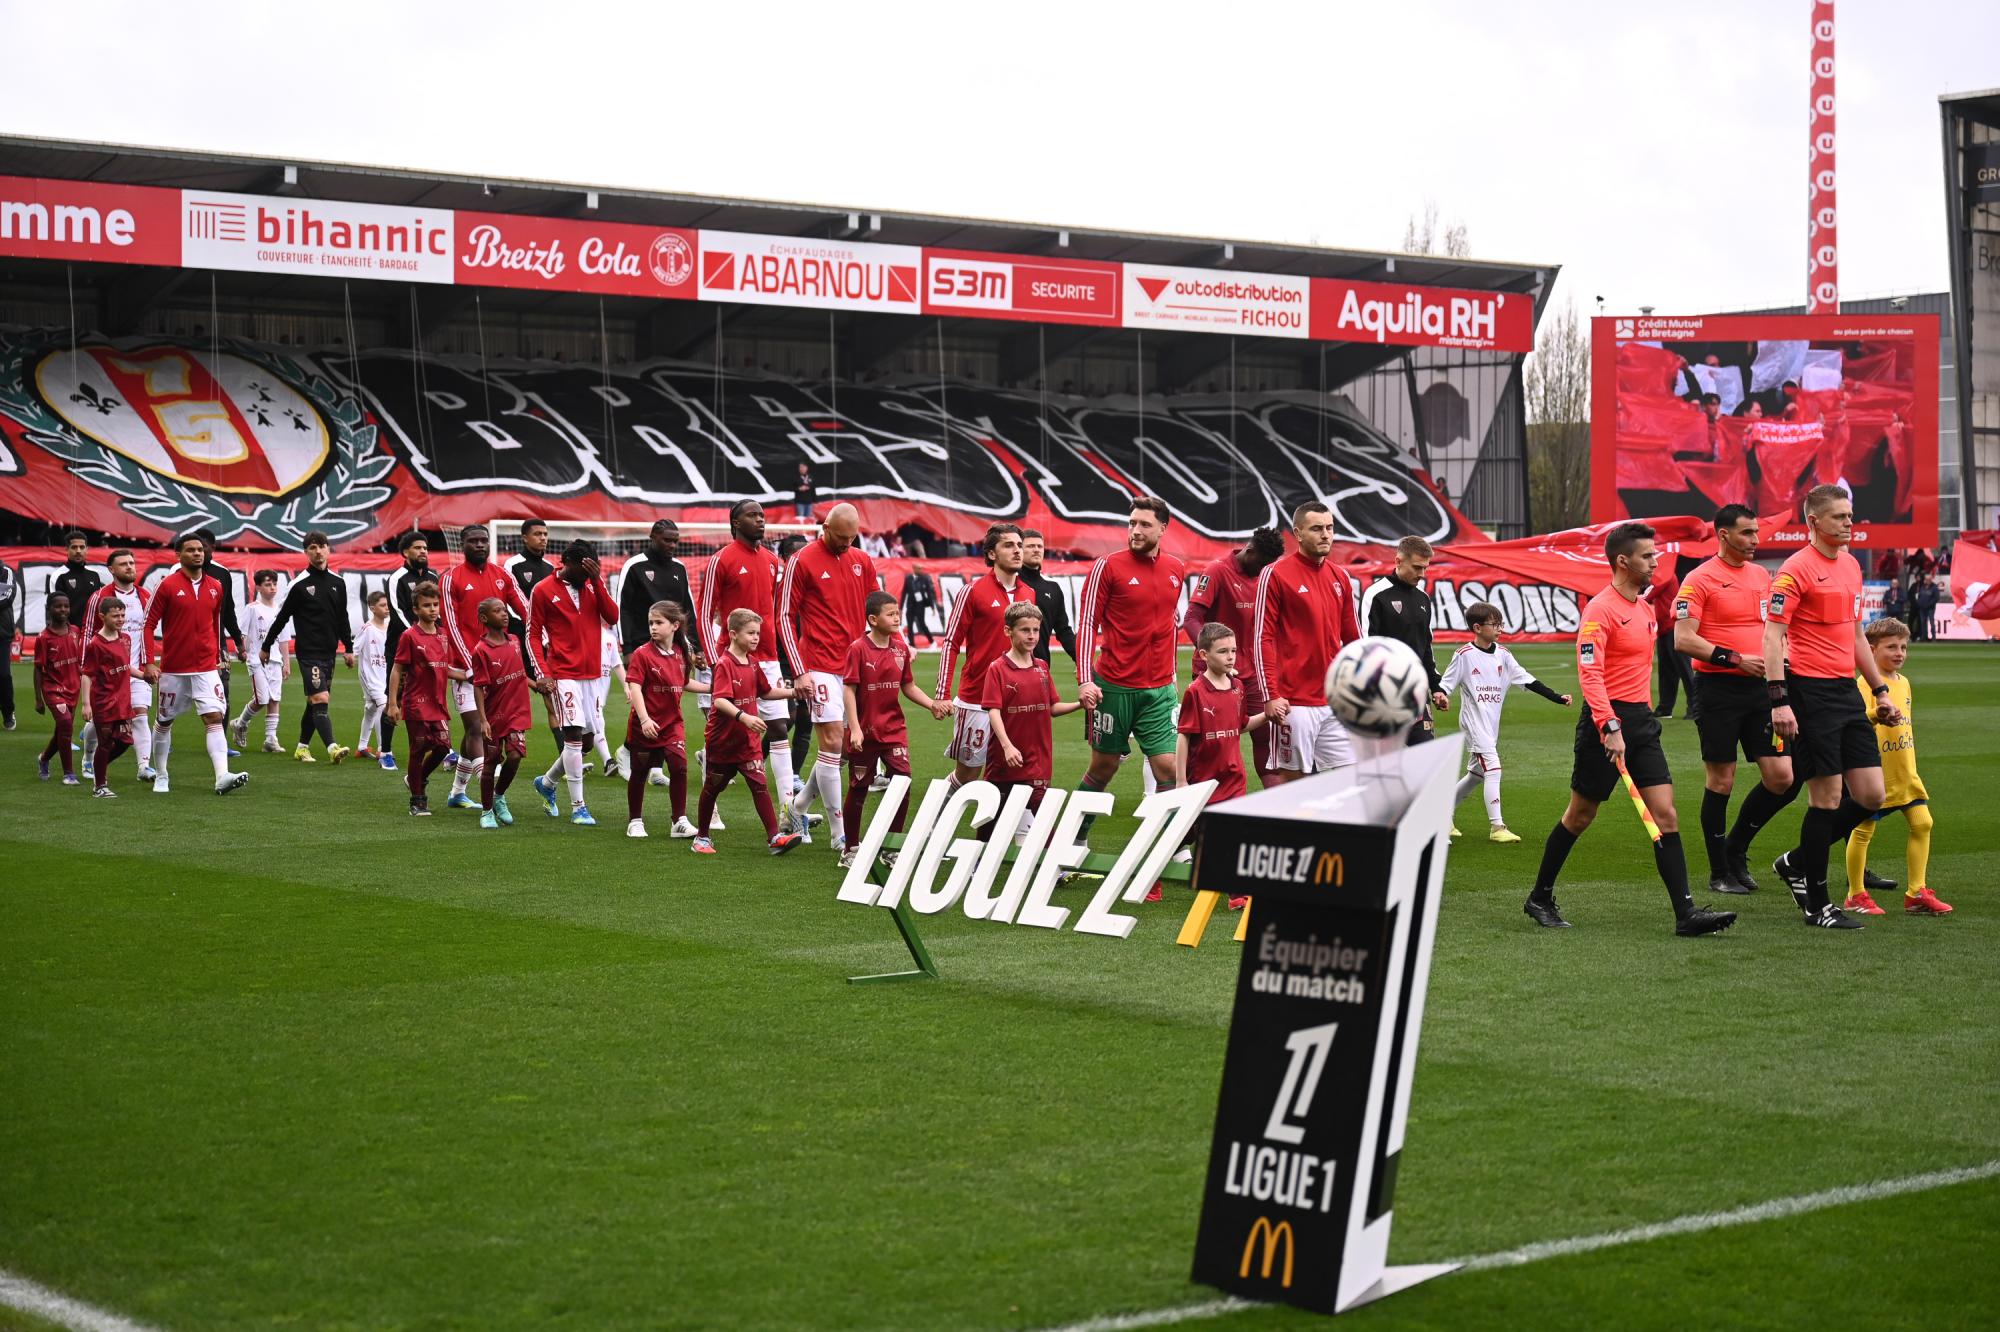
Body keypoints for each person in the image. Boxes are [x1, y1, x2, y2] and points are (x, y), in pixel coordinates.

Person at [1521, 522, 1735, 937]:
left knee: (1666, 814)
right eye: (1647, 556)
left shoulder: (1644, 607)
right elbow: (1590, 674)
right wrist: (1610, 726)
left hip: (1641, 723)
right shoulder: (1600, 609)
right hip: (1606, 724)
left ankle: (1686, 914)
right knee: (1580, 815)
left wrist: (1635, 722)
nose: (1656, 562)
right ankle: (1540, 896)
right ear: (1623, 561)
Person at [1768, 486, 1907, 929]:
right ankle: (1818, 906)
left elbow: (1855, 634)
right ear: (1814, 522)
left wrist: (1879, 690)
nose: (1849, 523)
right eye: (1840, 517)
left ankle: (1795, 862)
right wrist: (1779, 700)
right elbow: (1772, 636)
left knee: (1871, 796)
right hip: (1808, 693)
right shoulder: (1794, 570)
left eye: (1851, 515)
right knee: (1826, 798)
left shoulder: (1849, 565)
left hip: (1846, 692)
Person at [1671, 505, 1796, 895]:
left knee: (1782, 777)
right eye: (1746, 533)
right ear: (1723, 535)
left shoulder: (1761, 576)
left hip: (1762, 691)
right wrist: (1736, 659)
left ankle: (1736, 846)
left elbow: (1774, 630)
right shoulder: (1699, 579)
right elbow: (1683, 639)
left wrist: (1782, 664)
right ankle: (1719, 871)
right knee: (1721, 780)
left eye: (1756, 532)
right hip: (1718, 691)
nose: (1755, 540)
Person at [1074, 497, 1188, 816]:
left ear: (1162, 529)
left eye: (1145, 525)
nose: (1136, 530)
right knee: (1104, 766)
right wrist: (1085, 680)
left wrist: (1172, 674)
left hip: (1159, 691)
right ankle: (1075, 838)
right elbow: (1087, 623)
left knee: (1169, 768)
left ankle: (1169, 842)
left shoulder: (1176, 568)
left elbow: (1169, 625)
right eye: (1132, 523)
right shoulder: (1107, 566)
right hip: (1114, 687)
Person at [776, 503, 880, 853]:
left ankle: (798, 807)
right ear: (825, 528)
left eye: (853, 537)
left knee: (847, 748)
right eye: (841, 537)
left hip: (856, 666)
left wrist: (894, 644)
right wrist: (799, 670)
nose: (847, 543)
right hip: (819, 664)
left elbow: (876, 609)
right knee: (833, 743)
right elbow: (784, 615)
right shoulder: (801, 560)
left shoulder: (862, 560)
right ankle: (840, 835)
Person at [1436, 601, 1572, 843]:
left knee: (1476, 775)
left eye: (1501, 624)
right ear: (1477, 628)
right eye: (1495, 624)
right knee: (1493, 768)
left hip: (1490, 725)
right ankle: (1497, 827)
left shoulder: (1504, 655)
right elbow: (1446, 684)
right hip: (1474, 723)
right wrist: (1442, 696)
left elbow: (1528, 680)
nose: (1500, 628)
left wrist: (1557, 697)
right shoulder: (1464, 655)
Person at [1842, 618, 1951, 916]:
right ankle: (1855, 894)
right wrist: (1876, 714)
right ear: (1871, 650)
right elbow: (1854, 723)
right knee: (1863, 830)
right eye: (1891, 647)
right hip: (1874, 770)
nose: (1899, 653)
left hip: (1904, 768)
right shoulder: (1863, 684)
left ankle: (1916, 892)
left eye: (1903, 647)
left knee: (1923, 823)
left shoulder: (1903, 683)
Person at [1253, 501, 1361, 783]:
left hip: (1335, 699)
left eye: (1330, 528)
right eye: (1317, 529)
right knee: (1295, 782)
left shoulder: (1340, 576)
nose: (1326, 534)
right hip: (1293, 703)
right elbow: (1262, 637)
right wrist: (1271, 694)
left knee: (1353, 779)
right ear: (1298, 533)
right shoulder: (1275, 574)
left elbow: (1354, 639)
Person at [840, 590, 949, 867]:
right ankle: (850, 848)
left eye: (898, 613)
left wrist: (932, 704)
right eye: (890, 614)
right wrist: (854, 728)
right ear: (873, 619)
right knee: (859, 789)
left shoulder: (900, 649)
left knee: (903, 782)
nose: (897, 618)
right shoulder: (858, 649)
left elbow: (907, 685)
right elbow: (849, 690)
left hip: (893, 730)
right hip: (865, 732)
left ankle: (891, 847)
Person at [698, 501, 794, 801]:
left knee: (779, 728)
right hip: (732, 660)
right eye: (753, 516)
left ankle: (788, 808)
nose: (760, 520)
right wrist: (716, 662)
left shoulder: (773, 561)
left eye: (762, 516)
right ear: (736, 523)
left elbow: (776, 612)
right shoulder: (721, 560)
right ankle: (710, 805)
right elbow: (704, 614)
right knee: (725, 735)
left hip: (768, 658)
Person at [141, 531, 249, 796]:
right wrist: (148, 662)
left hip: (206, 667)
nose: (198, 554)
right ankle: (161, 775)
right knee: (164, 721)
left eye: (200, 549)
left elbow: (216, 623)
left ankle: (222, 776)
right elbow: (148, 624)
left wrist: (218, 656)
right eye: (191, 550)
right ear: (178, 555)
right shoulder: (166, 585)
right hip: (174, 669)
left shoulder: (216, 586)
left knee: (214, 717)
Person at [1176, 622, 1271, 908]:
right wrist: (1181, 780)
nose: (1230, 657)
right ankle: (1153, 871)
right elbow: (1184, 736)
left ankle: (1236, 895)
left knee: (1231, 834)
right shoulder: (1195, 691)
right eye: (1222, 651)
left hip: (1233, 777)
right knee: (1187, 832)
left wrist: (1268, 715)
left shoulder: (1238, 688)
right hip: (1203, 779)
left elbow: (1241, 725)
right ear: (1203, 655)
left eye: (1233, 651)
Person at [935, 523, 1037, 789]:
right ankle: (937, 811)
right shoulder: (972, 591)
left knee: (1015, 769)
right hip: (977, 699)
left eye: (1019, 545)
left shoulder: (1029, 594)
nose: (1017, 550)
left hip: (1015, 700)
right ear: (992, 554)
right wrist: (942, 693)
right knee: (968, 774)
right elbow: (951, 642)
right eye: (1009, 545)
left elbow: (1029, 648)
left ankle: (1010, 816)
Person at [693, 608, 802, 856]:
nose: (756, 638)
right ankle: (702, 837)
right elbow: (719, 700)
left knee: (759, 785)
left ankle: (774, 837)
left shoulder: (753, 664)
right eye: (751, 633)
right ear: (733, 634)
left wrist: (794, 692)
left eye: (758, 633)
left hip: (748, 742)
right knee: (712, 788)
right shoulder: (724, 664)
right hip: (723, 741)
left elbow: (766, 692)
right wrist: (744, 717)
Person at [1183, 525, 1287, 784]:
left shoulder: (1267, 576)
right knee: (1212, 742)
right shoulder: (1217, 571)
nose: (1264, 570)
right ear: (1250, 552)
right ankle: (1197, 795)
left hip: (1254, 673)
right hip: (1214, 675)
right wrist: (1212, 654)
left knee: (1265, 735)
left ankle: (1275, 800)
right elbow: (1192, 618)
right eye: (1262, 564)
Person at [526, 540, 619, 827]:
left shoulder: (592, 585)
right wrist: (542, 672)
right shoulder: (543, 589)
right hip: (562, 674)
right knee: (574, 735)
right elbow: (532, 634)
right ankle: (579, 807)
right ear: (567, 563)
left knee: (587, 741)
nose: (586, 575)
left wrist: (597, 581)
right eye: (583, 570)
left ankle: (547, 782)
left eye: (592, 570)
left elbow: (612, 616)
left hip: (592, 674)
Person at [439, 524, 531, 807]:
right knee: (477, 727)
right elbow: (451, 626)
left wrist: (541, 638)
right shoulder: (450, 579)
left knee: (475, 731)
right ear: (463, 544)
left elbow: (526, 609)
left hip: (500, 669)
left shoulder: (502, 575)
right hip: (465, 670)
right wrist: (471, 665)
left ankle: (457, 792)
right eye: (474, 541)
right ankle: (490, 790)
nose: (480, 545)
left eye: (484, 540)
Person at [984, 602, 1081, 832]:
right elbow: (993, 711)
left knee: (1045, 820)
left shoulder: (1042, 667)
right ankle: (980, 855)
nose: (1032, 636)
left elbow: (1052, 708)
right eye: (1025, 630)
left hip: (1038, 761)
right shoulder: (997, 669)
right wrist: (1007, 747)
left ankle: (1054, 855)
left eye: (1036, 630)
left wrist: (1081, 705)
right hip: (1005, 761)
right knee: (991, 826)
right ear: (1008, 631)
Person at [266, 532, 357, 763]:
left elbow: (342, 617)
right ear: (306, 552)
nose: (318, 551)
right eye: (313, 547)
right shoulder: (299, 585)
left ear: (328, 549)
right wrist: (266, 646)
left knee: (314, 701)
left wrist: (348, 647)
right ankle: (332, 748)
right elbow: (281, 618)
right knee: (320, 698)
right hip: (308, 653)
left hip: (329, 652)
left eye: (322, 546)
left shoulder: (338, 583)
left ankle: (302, 747)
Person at [623, 600, 706, 840]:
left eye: (659, 622)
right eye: (651, 623)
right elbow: (635, 688)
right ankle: (635, 821)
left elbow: (684, 682)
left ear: (674, 625)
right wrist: (645, 719)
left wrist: (713, 688)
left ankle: (679, 821)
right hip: (645, 725)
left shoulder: (681, 653)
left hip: (672, 724)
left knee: (679, 767)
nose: (653, 627)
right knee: (639, 772)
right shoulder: (642, 654)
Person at [469, 596, 547, 831]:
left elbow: (519, 671)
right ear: (484, 618)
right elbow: (478, 687)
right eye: (497, 611)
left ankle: (498, 795)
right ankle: (486, 811)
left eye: (504, 610)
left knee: (515, 756)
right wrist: (483, 720)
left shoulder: (514, 640)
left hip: (517, 711)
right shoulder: (481, 650)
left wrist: (536, 685)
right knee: (491, 762)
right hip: (495, 714)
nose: (504, 614)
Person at [78, 549, 156, 781]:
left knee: (140, 715)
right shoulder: (99, 597)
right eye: (123, 564)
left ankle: (143, 766)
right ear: (111, 570)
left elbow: (149, 632)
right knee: (100, 721)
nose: (130, 567)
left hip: (135, 669)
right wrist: (84, 667)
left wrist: (148, 664)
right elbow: (87, 631)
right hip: (106, 673)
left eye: (132, 562)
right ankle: (88, 758)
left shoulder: (145, 596)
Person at [386, 580, 460, 817]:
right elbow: (397, 669)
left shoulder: (443, 635)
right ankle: (417, 801)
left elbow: (444, 668)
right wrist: (392, 704)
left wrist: (469, 676)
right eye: (427, 605)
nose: (433, 609)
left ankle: (415, 778)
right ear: (416, 609)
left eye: (435, 604)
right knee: (417, 749)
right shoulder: (409, 636)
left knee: (443, 747)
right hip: (416, 703)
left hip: (438, 704)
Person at [1365, 536, 1448, 740]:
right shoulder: (1376, 595)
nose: (1422, 574)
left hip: (1417, 692)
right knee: (1385, 758)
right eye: (1417, 567)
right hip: (1384, 694)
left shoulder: (1423, 598)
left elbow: (1425, 647)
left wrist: (1436, 687)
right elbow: (1365, 646)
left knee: (1426, 753)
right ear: (1398, 561)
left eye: (1425, 568)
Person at [382, 532, 434, 766]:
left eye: (425, 548)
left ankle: (438, 747)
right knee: (395, 698)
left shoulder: (433, 577)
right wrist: (419, 637)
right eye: (417, 548)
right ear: (405, 552)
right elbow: (397, 612)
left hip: (429, 649)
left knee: (431, 696)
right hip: (401, 647)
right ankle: (385, 752)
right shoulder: (397, 578)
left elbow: (438, 612)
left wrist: (438, 638)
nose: (423, 551)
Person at [79, 595, 137, 797]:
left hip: (123, 701)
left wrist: (145, 675)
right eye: (115, 616)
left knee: (125, 741)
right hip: (104, 702)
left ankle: (98, 766)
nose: (120, 619)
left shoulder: (125, 639)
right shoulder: (96, 644)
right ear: (102, 617)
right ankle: (99, 786)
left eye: (122, 615)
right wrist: (86, 704)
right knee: (104, 743)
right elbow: (87, 674)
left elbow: (125, 667)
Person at [233, 570, 290, 754]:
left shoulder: (280, 610)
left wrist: (286, 663)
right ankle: (240, 723)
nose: (272, 587)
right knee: (262, 698)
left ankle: (270, 739)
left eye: (274, 584)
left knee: (274, 698)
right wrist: (242, 650)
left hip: (275, 660)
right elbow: (242, 633)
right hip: (256, 659)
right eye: (267, 584)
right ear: (258, 587)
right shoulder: (252, 608)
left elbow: (283, 639)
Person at [33, 592, 85, 784]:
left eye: (66, 606)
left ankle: (44, 758)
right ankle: (69, 774)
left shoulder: (75, 631)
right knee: (65, 724)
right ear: (49, 609)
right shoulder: (43, 638)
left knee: (63, 729)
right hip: (53, 689)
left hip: (73, 688)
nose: (63, 609)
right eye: (58, 606)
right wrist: (38, 699)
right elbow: (38, 669)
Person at [1019, 530, 1080, 665]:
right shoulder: (1009, 583)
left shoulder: (1052, 587)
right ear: (1019, 550)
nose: (1036, 550)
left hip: (1041, 667)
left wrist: (1082, 661)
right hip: (1008, 667)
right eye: (1030, 546)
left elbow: (1064, 630)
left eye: (1039, 546)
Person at [1647, 572, 1695, 719]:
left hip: (1674, 628)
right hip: (1664, 629)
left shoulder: (1666, 576)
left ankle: (1695, 707)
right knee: (1667, 671)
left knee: (1684, 669)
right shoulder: (1661, 576)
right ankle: (1665, 708)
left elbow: (1647, 595)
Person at [355, 590, 395, 767]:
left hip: (384, 675)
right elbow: (355, 649)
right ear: (372, 608)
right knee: (383, 706)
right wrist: (351, 657)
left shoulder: (390, 628)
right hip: (369, 676)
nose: (387, 608)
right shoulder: (367, 629)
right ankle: (382, 748)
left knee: (371, 708)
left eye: (387, 605)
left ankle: (362, 746)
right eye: (382, 605)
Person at [50, 531, 103, 634]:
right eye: (74, 547)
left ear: (87, 549)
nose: (78, 551)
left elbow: (99, 605)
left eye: (82, 547)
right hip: (69, 634)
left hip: (93, 633)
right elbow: (56, 609)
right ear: (67, 549)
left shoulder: (94, 575)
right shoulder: (58, 576)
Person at [900, 565, 940, 646]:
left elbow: (929, 593)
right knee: (910, 625)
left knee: (922, 624)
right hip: (910, 605)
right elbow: (904, 593)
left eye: (921, 568)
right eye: (919, 568)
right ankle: (912, 645)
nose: (921, 570)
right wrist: (900, 608)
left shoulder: (924, 579)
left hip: (920, 605)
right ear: (914, 569)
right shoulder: (908, 578)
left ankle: (932, 642)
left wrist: (932, 607)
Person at [0, 558, 17, 729]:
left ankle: (7, 712)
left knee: (3, 674)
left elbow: (7, 597)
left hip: (1, 632)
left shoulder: (6, 571)